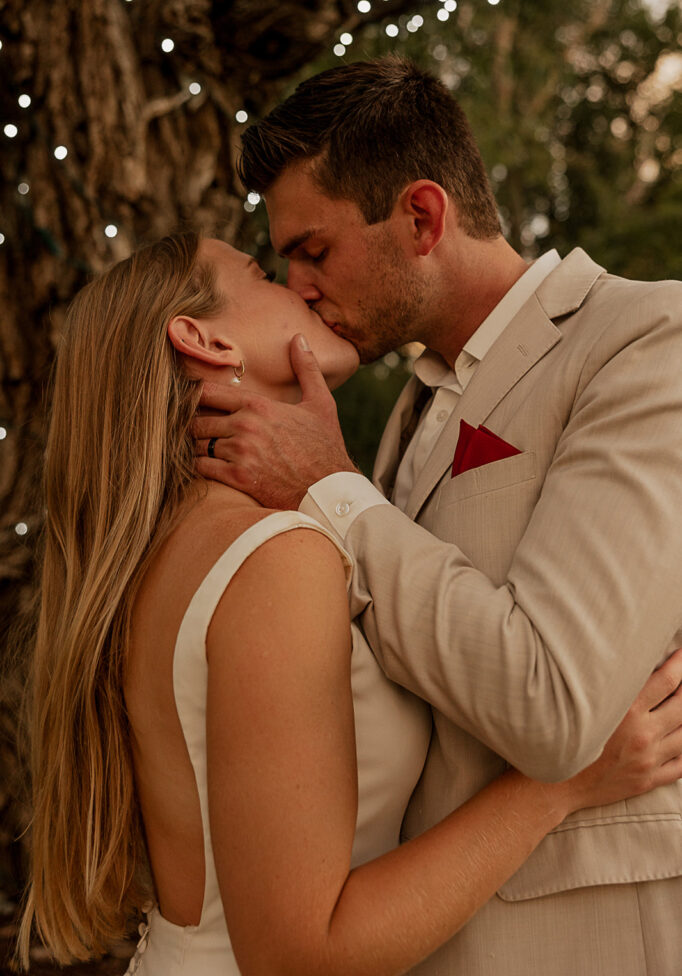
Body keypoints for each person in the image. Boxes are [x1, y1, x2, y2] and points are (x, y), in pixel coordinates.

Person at [17, 232, 682, 975]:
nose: (300, 288)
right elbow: (303, 953)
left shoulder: (170, 543)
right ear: (202, 339)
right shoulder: (273, 558)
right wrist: (561, 788)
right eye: (265, 273)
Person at [194, 57, 682, 975]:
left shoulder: (644, 340)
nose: (298, 286)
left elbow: (556, 705)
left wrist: (331, 489)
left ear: (421, 217)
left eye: (314, 249)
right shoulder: (412, 409)